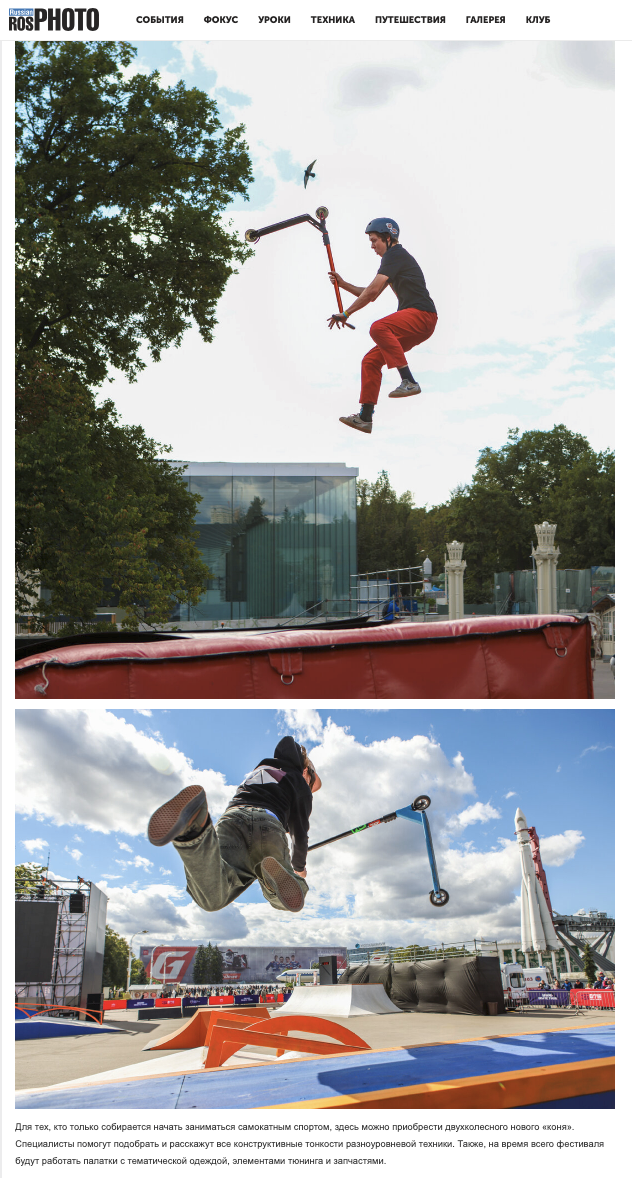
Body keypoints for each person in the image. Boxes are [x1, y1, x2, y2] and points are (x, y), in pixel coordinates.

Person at [147, 737, 321, 914]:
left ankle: (193, 830)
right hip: (267, 826)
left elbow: (271, 800)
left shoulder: (261, 770)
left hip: (232, 819)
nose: (309, 786)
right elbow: (300, 834)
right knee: (287, 899)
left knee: (213, 897)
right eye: (311, 782)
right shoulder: (299, 780)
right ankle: (271, 882)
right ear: (305, 771)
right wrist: (299, 868)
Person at [329, 218, 437, 435]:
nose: (372, 246)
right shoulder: (393, 261)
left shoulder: (395, 255)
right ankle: (365, 416)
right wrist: (343, 284)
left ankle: (408, 380)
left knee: (379, 328)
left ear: (388, 238)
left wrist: (346, 313)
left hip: (423, 315)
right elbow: (371, 292)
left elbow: (370, 293)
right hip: (416, 323)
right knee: (370, 361)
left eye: (374, 240)